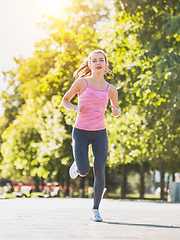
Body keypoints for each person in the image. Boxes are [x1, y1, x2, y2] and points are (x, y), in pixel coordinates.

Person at [61, 50, 121, 222]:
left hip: (99, 133)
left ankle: (95, 209)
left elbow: (116, 110)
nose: (98, 63)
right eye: (94, 60)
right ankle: (78, 166)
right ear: (90, 64)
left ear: (105, 64)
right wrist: (75, 108)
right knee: (84, 170)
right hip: (80, 132)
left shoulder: (111, 89)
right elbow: (65, 100)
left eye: (101, 60)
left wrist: (116, 111)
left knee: (99, 170)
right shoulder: (82, 83)